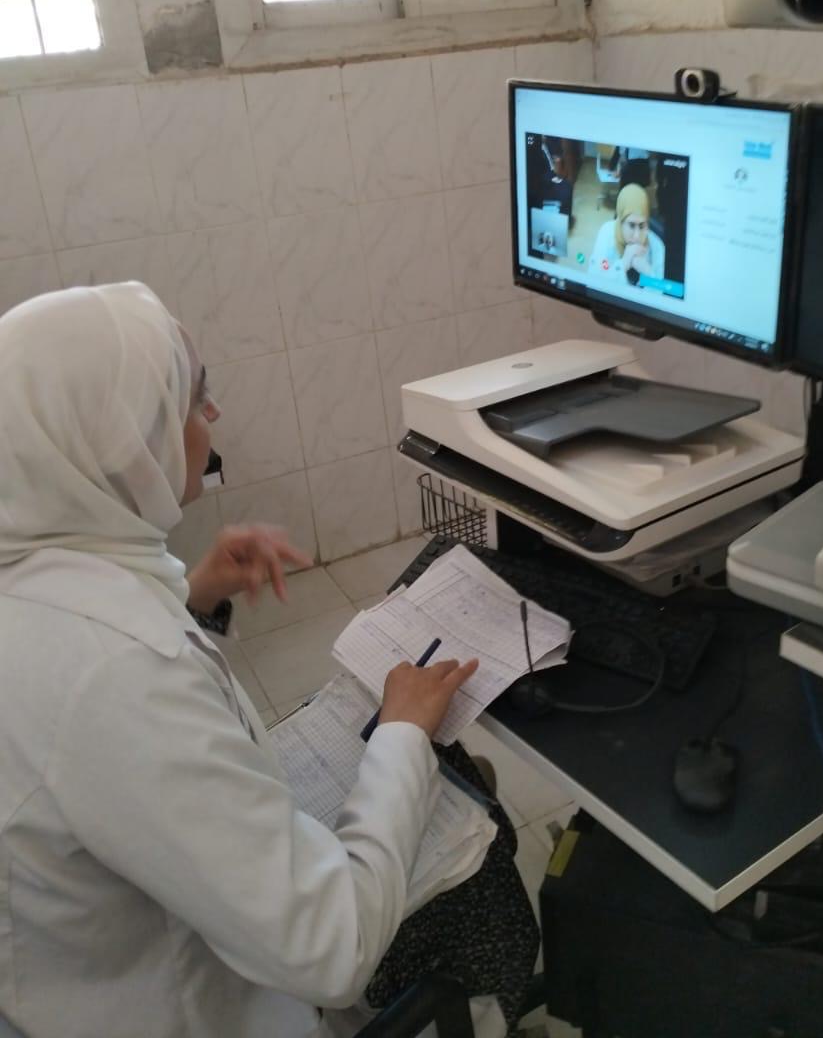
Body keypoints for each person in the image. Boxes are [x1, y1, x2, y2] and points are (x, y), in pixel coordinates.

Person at [0, 283, 536, 1038]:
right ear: (121, 440)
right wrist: (402, 734)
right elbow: (330, 948)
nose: (212, 416)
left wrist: (193, 593)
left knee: (443, 779)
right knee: (481, 845)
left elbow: (95, 668)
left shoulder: (32, 565)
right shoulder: (117, 679)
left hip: (89, 957)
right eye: (192, 399)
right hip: (190, 1009)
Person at [589, 182, 666, 283]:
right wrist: (623, 264)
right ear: (621, 222)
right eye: (631, 225)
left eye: (642, 226)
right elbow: (593, 279)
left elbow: (662, 289)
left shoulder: (656, 246)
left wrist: (648, 273)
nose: (637, 236)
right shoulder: (607, 233)